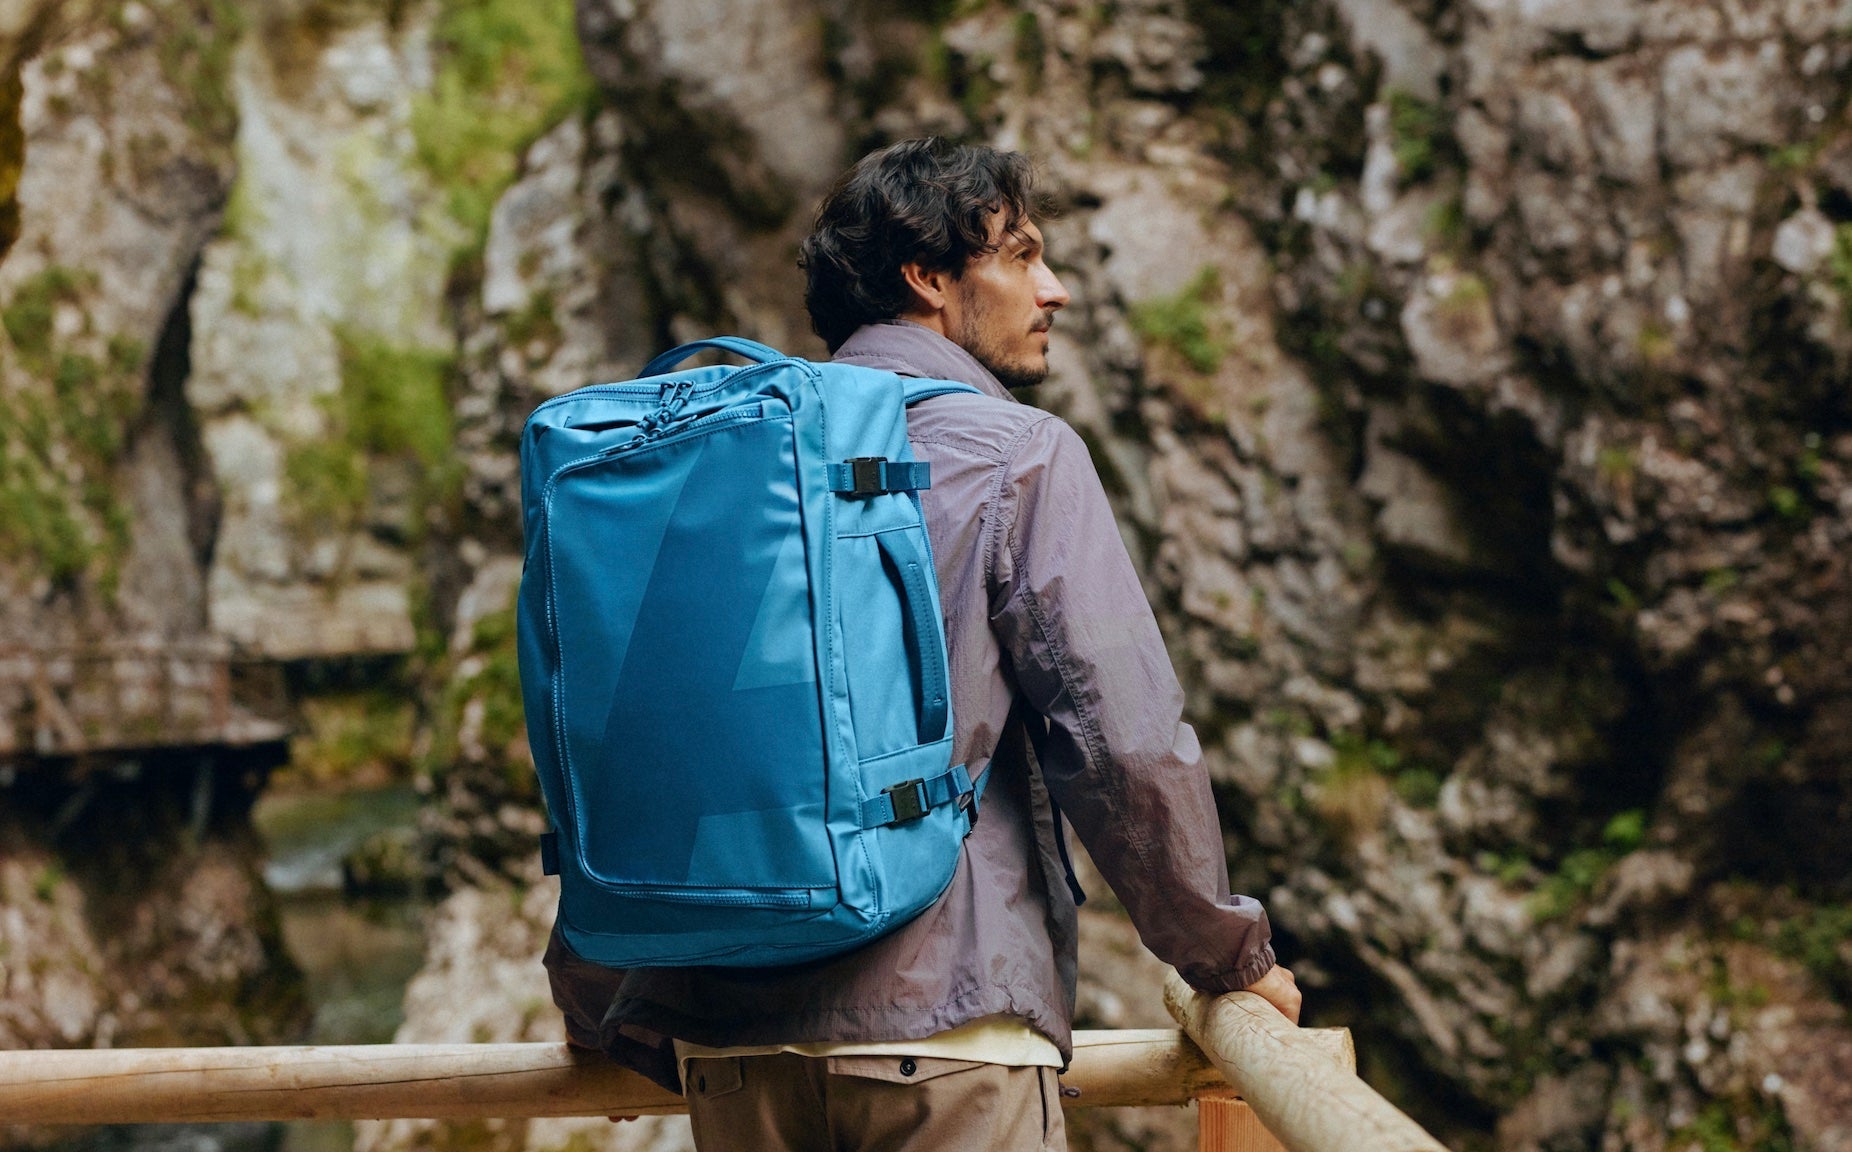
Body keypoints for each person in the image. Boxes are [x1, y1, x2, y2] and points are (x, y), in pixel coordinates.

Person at [546, 137, 1299, 1151]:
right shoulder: (1017, 452)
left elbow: (625, 740)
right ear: (929, 278)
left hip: (730, 1055)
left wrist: (597, 999)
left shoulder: (718, 464)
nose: (1055, 289)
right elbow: (1121, 738)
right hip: (947, 1036)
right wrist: (1231, 960)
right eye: (1022, 256)